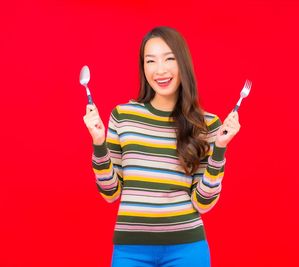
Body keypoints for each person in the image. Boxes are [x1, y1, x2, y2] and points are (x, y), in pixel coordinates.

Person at [83, 26, 241, 267]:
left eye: (169, 58)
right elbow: (110, 192)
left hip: (187, 249)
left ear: (183, 64)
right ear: (143, 67)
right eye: (151, 61)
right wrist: (98, 144)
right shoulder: (123, 116)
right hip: (130, 250)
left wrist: (219, 148)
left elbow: (203, 202)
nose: (160, 70)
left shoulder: (207, 124)